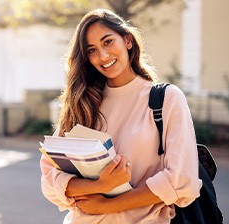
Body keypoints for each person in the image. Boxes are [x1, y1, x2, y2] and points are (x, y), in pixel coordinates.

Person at [40, 8, 202, 224]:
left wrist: (105, 205)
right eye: (92, 50)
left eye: (108, 42)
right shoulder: (83, 104)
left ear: (127, 40)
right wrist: (100, 186)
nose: (103, 56)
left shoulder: (166, 99)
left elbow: (181, 180)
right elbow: (50, 180)